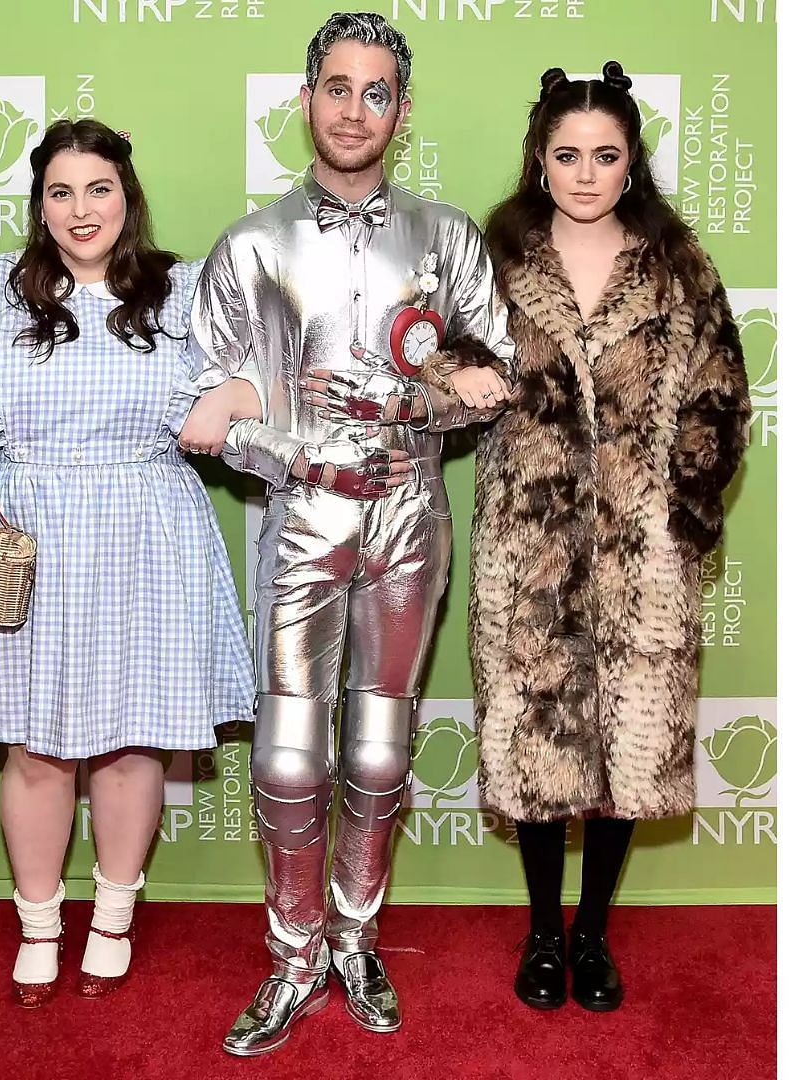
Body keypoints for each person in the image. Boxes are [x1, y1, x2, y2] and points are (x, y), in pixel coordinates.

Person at [178, 11, 511, 1057]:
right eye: (337, 87)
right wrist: (289, 445)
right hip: (300, 518)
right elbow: (206, 404)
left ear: (401, 113)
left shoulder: (448, 238)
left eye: (376, 92)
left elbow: (494, 376)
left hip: (413, 511)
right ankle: (292, 957)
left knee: (378, 752)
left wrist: (412, 401)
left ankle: (357, 938)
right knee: (285, 762)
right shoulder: (251, 246)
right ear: (306, 99)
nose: (354, 109)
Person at [431, 62, 752, 1013]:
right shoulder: (490, 262)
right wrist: (454, 377)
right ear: (539, 158)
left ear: (630, 163)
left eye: (604, 156)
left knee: (628, 748)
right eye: (566, 154)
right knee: (537, 746)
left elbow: (722, 393)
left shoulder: (678, 263)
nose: (584, 173)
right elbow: (440, 368)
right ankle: (540, 935)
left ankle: (595, 937)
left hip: (643, 549)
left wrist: (686, 507)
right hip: (527, 549)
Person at [0, 118, 256, 1009]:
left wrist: (231, 394)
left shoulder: (186, 290)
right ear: (40, 206)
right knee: (35, 747)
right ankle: (40, 925)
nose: (82, 210)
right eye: (61, 193)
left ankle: (112, 917)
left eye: (99, 189)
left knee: (128, 741)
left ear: (128, 196)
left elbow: (272, 370)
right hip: (28, 530)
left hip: (145, 528)